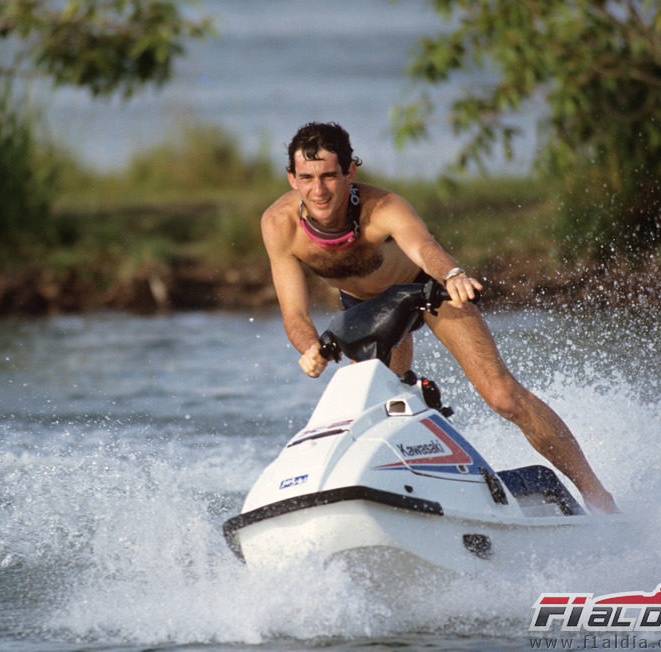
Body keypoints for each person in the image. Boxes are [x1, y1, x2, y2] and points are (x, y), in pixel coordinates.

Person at [261, 121, 619, 514]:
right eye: (308, 177)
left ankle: (597, 495)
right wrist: (310, 347)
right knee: (377, 412)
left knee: (503, 397)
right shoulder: (279, 225)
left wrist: (452, 275)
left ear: (350, 172)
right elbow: (294, 313)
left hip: (429, 290)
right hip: (368, 311)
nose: (319, 189)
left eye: (329, 176)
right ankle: (408, 494)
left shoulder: (384, 208)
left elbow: (424, 246)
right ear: (292, 178)